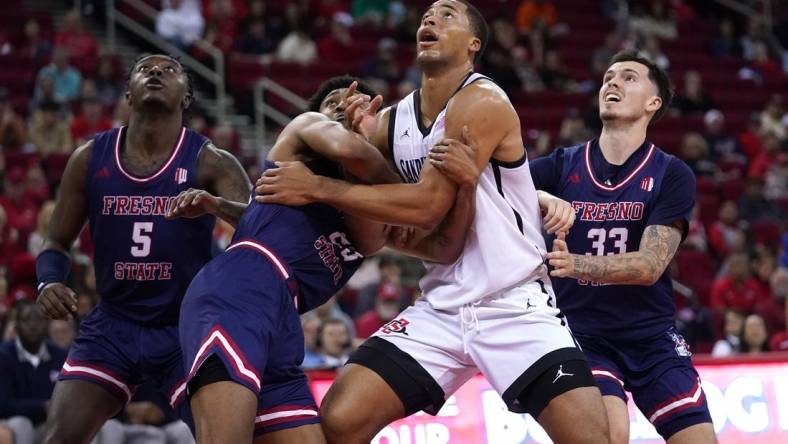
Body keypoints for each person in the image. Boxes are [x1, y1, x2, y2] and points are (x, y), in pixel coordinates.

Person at [256, 1, 609, 443]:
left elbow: (424, 206)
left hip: (512, 300)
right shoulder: (391, 123)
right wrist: (346, 141)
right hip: (441, 304)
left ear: (473, 44)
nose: (430, 20)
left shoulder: (482, 100)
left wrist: (317, 187)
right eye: (427, 15)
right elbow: (379, 217)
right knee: (340, 421)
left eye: (447, 15)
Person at [176, 75, 476, 443]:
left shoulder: (370, 198)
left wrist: (465, 186)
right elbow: (350, 151)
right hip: (240, 291)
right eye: (332, 102)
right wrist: (409, 189)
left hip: (284, 317)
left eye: (358, 105)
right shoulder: (306, 130)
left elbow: (441, 246)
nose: (344, 108)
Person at [35, 54, 251, 444]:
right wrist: (49, 281)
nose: (155, 72)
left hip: (185, 327)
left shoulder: (212, 162)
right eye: (144, 68)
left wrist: (214, 204)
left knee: (227, 438)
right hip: (113, 324)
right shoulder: (89, 158)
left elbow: (259, 229)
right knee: (56, 439)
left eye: (169, 70)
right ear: (127, 94)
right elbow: (55, 242)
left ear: (186, 97)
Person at [532, 50, 716, 443]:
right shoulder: (562, 165)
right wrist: (542, 198)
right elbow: (494, 187)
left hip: (651, 336)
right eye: (608, 77)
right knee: (613, 433)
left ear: (654, 103)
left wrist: (576, 264)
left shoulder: (671, 173)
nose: (611, 82)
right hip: (582, 334)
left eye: (628, 77)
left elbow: (650, 264)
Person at [0, 301, 67, 444]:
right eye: (27, 319)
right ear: (17, 326)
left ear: (46, 324)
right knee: (22, 424)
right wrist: (43, 406)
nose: (33, 324)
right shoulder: (3, 355)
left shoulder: (61, 355)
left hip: (49, 424)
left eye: (38, 319)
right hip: (11, 424)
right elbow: (3, 406)